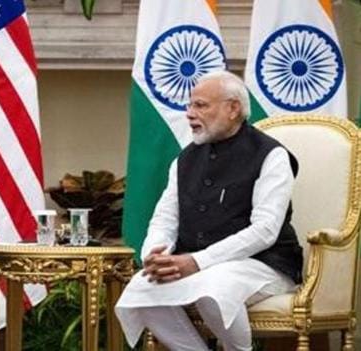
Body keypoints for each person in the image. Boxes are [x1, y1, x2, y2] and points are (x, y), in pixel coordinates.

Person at [115, 71, 303, 351]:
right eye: (190, 105)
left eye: (200, 105)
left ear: (233, 108)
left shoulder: (271, 155)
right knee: (141, 289)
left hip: (265, 264)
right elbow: (166, 217)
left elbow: (265, 231)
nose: (190, 114)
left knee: (213, 288)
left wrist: (198, 261)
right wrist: (156, 253)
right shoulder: (185, 159)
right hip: (200, 263)